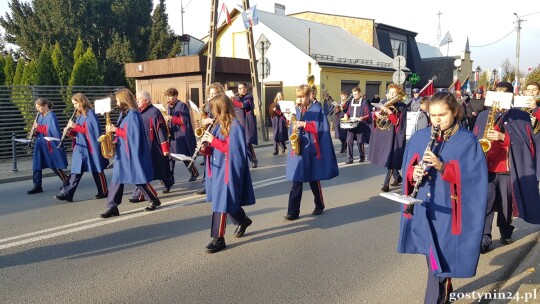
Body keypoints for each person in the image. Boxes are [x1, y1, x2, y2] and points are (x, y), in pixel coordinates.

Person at [398, 92, 488, 304]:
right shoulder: (420, 137)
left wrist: (443, 167)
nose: (437, 120)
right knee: (433, 258)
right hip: (424, 207)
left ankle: (435, 299)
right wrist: (414, 173)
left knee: (439, 260)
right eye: (433, 115)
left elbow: (474, 179)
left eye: (442, 115)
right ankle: (444, 290)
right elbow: (407, 169)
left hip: (449, 210)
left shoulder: (468, 141)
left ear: (455, 112)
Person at [473, 82, 540, 253]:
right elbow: (474, 139)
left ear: (511, 96)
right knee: (485, 204)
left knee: (505, 204)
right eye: (496, 93)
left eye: (503, 94)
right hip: (486, 167)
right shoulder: (483, 115)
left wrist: (503, 136)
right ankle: (484, 237)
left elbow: (527, 143)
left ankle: (505, 230)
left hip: (506, 167)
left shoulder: (519, 116)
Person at [198, 92, 255, 253]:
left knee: (221, 203)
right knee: (225, 201)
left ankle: (218, 238)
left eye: (214, 110)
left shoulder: (235, 126)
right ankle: (243, 220)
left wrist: (213, 141)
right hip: (218, 170)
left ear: (221, 109)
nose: (212, 114)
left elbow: (233, 150)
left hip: (229, 171)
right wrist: (204, 147)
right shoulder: (217, 125)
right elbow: (215, 149)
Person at [100, 88, 161, 218]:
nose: (116, 103)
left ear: (124, 100)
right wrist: (114, 140)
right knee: (116, 178)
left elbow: (133, 135)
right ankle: (112, 206)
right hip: (122, 152)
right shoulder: (124, 114)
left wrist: (115, 130)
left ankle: (153, 198)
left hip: (132, 152)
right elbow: (123, 132)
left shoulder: (133, 114)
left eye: (117, 100)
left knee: (138, 178)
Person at [284, 84, 339, 220]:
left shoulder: (317, 109)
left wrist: (305, 125)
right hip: (299, 148)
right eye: (298, 97)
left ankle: (319, 205)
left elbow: (320, 128)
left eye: (302, 97)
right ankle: (293, 211)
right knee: (296, 180)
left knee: (314, 178)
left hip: (312, 149)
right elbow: (291, 127)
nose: (300, 99)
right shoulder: (296, 110)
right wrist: (290, 121)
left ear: (309, 96)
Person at [54, 93, 108, 202]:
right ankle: (67, 193)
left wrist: (75, 126)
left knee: (97, 169)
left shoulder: (91, 114)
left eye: (75, 103)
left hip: (90, 147)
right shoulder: (79, 116)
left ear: (82, 102)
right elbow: (78, 133)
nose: (74, 106)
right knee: (75, 171)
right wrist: (69, 132)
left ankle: (103, 191)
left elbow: (92, 131)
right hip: (80, 147)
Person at [127, 91, 173, 203]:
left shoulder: (154, 112)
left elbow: (161, 130)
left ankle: (168, 182)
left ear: (147, 100)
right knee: (143, 170)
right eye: (136, 99)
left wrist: (165, 148)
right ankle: (139, 195)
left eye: (139, 99)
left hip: (154, 146)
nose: (137, 101)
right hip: (143, 145)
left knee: (159, 168)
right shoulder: (137, 112)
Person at [369, 83, 407, 192]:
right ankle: (398, 177)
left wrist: (389, 111)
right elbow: (374, 115)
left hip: (394, 136)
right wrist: (376, 115)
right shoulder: (383, 102)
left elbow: (397, 122)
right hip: (385, 135)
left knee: (391, 159)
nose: (392, 95)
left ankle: (386, 184)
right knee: (389, 158)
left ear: (398, 94)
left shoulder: (402, 106)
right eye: (391, 93)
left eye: (395, 93)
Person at [27, 98, 69, 194]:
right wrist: (34, 132)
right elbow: (41, 130)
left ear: (45, 105)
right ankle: (37, 185)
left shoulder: (51, 116)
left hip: (48, 144)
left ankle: (66, 180)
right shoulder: (41, 116)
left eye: (39, 107)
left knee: (53, 164)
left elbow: (52, 131)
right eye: (36, 107)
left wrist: (39, 127)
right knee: (36, 164)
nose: (38, 109)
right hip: (40, 144)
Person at [163, 87, 199, 187]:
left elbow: (184, 121)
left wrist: (171, 118)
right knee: (171, 157)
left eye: (170, 96)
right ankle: (170, 180)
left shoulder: (181, 105)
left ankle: (194, 172)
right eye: (167, 96)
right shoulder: (169, 107)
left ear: (175, 96)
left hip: (181, 134)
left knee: (183, 156)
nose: (168, 98)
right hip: (173, 134)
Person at [232, 83, 259, 168]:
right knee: (239, 143)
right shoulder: (236, 98)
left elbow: (243, 105)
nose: (241, 90)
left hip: (246, 122)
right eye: (239, 88)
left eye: (243, 88)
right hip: (237, 122)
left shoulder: (249, 97)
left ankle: (253, 159)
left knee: (247, 143)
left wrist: (233, 100)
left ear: (246, 89)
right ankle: (242, 161)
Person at [344, 87, 371, 163]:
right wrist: (346, 115)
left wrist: (362, 118)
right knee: (349, 140)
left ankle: (362, 156)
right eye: (353, 94)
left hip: (360, 124)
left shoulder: (364, 102)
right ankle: (349, 159)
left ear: (360, 93)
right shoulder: (351, 101)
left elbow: (368, 114)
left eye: (356, 94)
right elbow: (348, 112)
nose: (354, 96)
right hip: (351, 124)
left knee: (360, 141)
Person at [523, 81, 540, 182]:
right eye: (529, 90)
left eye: (534, 90)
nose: (531, 92)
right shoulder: (519, 106)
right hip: (524, 145)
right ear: (524, 92)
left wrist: (535, 108)